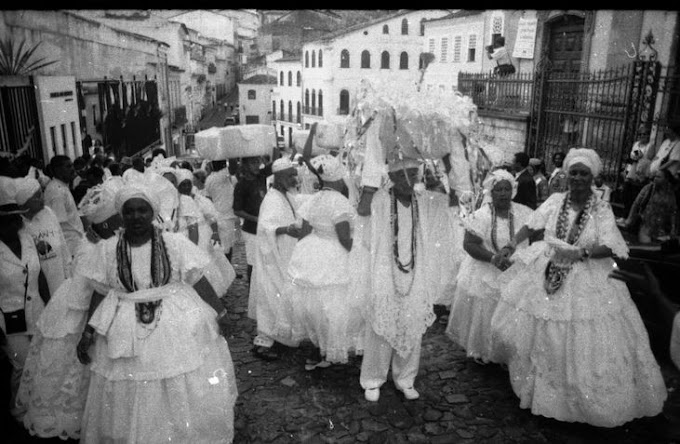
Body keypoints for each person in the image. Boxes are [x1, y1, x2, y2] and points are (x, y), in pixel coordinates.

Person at [490, 147, 666, 427]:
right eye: (574, 173)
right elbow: (531, 224)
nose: (578, 178)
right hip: (549, 264)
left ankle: (576, 396)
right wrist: (511, 244)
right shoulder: (556, 200)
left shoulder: (601, 208)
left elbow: (612, 245)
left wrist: (582, 254)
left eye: (584, 173)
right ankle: (540, 387)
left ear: (593, 177)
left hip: (586, 272)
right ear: (567, 174)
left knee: (584, 335)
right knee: (539, 329)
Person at [74, 182, 237, 443]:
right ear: (121, 215)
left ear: (152, 212)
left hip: (173, 321)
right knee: (132, 384)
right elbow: (101, 292)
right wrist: (89, 331)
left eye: (142, 210)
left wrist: (221, 312)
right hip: (124, 326)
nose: (136, 216)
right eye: (129, 211)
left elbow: (198, 279)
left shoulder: (173, 243)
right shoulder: (107, 250)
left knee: (176, 377)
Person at [16, 177, 124, 440]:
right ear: (108, 224)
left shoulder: (98, 241)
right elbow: (90, 295)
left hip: (79, 300)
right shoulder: (94, 250)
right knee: (74, 369)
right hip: (80, 307)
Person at [359, 155, 443, 402]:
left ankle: (405, 378)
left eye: (413, 176)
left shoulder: (421, 200)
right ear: (393, 178)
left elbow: (448, 203)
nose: (410, 181)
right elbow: (363, 211)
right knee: (380, 324)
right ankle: (373, 379)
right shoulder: (382, 199)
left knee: (412, 323)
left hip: (416, 272)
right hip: (385, 269)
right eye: (404, 176)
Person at [446, 169, 533, 364]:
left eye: (507, 189)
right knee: (486, 312)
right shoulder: (481, 215)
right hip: (486, 270)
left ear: (513, 191)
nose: (503, 194)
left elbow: (535, 236)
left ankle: (506, 353)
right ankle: (485, 351)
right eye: (498, 190)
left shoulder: (524, 213)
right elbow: (469, 244)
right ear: (490, 193)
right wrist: (493, 258)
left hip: (515, 272)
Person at [287, 154, 365, 370]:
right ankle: (337, 346)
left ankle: (319, 347)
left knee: (316, 305)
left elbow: (304, 231)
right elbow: (343, 237)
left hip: (313, 247)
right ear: (339, 179)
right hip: (334, 252)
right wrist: (358, 253)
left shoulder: (314, 198)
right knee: (337, 304)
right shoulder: (340, 202)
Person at [0, 177, 49, 422]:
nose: (14, 222)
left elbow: (38, 274)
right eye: (6, 220)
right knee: (21, 365)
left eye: (16, 217)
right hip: (8, 317)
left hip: (36, 308)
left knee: (39, 359)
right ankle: (18, 409)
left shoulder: (27, 238)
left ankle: (37, 406)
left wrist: (49, 306)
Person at [248, 157, 305, 361]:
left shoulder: (287, 195)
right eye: (290, 175)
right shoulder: (272, 198)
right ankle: (263, 340)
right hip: (272, 256)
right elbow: (265, 228)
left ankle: (282, 335)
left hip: (285, 253)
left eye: (294, 174)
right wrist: (286, 229)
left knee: (282, 294)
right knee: (270, 294)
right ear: (279, 177)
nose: (294, 178)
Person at [173, 168, 235, 299]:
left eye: (188, 184)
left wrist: (215, 233)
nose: (185, 187)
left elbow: (211, 217)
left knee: (207, 263)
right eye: (182, 185)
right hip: (184, 237)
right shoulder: (175, 202)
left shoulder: (200, 200)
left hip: (203, 235)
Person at [15, 177, 71, 296]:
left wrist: (69, 275)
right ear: (25, 202)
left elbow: (63, 246)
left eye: (41, 194)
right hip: (39, 288)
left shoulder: (48, 213)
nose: (42, 198)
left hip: (61, 280)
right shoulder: (19, 226)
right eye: (37, 196)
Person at [233, 156, 272, 284]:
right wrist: (256, 218)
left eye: (258, 162)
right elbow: (237, 210)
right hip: (250, 230)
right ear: (245, 165)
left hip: (263, 227)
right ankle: (252, 292)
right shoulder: (241, 185)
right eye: (253, 163)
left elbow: (274, 164)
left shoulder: (261, 176)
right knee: (253, 263)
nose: (257, 165)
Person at [43, 156, 85, 261]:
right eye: (68, 166)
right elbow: (58, 225)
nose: (72, 169)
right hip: (70, 249)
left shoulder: (62, 187)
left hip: (75, 246)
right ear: (57, 170)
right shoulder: (57, 191)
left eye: (72, 166)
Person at [622, 168, 678, 244]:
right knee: (646, 247)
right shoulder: (649, 188)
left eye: (659, 177)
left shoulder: (670, 193)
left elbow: (673, 212)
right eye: (655, 176)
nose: (655, 179)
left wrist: (673, 230)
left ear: (666, 179)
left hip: (661, 230)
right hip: (645, 226)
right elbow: (636, 204)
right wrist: (630, 219)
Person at [205, 160, 239, 263]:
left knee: (224, 247)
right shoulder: (220, 175)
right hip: (224, 217)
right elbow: (233, 169)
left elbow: (208, 198)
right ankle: (227, 273)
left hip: (217, 216)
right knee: (226, 249)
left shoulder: (209, 179)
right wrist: (232, 154)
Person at [622, 129, 653, 214]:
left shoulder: (650, 146)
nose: (642, 136)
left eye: (644, 134)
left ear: (648, 136)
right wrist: (626, 170)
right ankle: (625, 213)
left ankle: (631, 216)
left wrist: (637, 155)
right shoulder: (636, 144)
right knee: (626, 193)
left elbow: (646, 158)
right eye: (640, 134)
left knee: (635, 195)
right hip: (632, 170)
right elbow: (633, 156)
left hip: (641, 172)